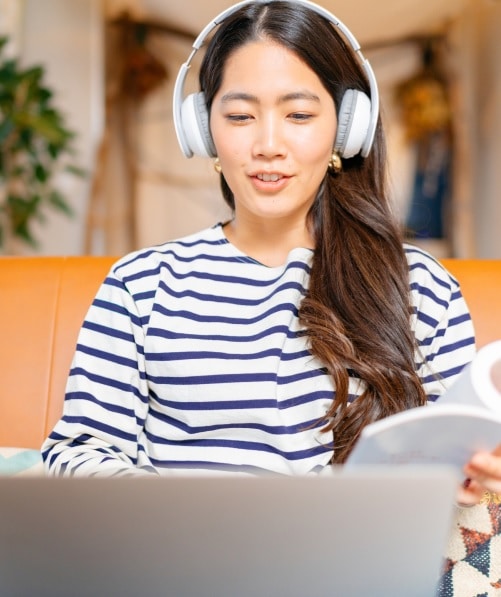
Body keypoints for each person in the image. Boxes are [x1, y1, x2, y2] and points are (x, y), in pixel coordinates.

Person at [42, 0, 501, 507]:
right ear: (202, 129)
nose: (267, 144)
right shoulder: (140, 283)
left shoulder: (422, 286)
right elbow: (80, 452)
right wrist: (192, 514)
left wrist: (468, 475)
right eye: (240, 115)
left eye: (299, 114)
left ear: (347, 128)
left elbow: (450, 458)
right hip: (174, 564)